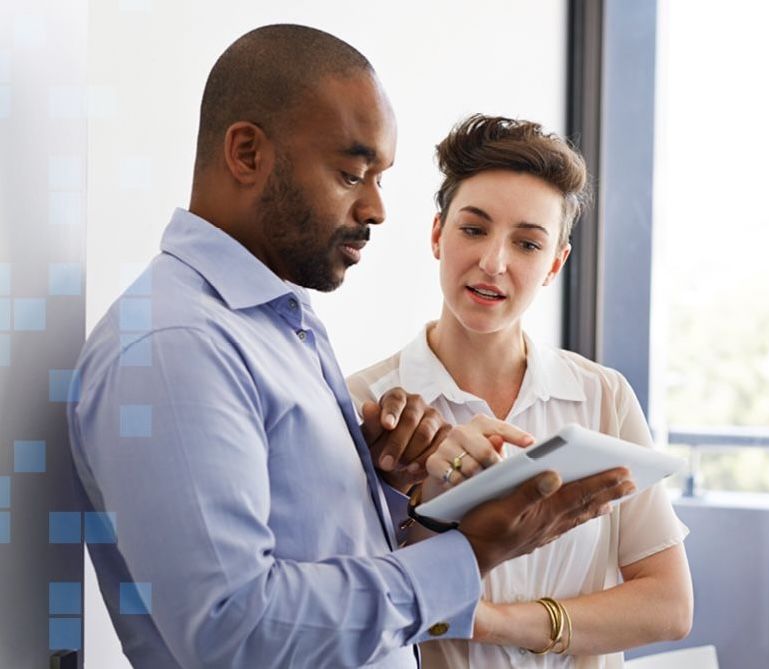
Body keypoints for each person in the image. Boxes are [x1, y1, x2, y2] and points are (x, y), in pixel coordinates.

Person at [67, 26, 635, 669]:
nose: (376, 208)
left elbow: (304, 556)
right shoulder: (177, 346)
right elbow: (236, 630)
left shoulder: (279, 322)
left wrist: (385, 485)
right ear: (248, 153)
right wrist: (470, 555)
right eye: (351, 174)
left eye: (381, 178)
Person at [348, 115, 694, 668]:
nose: (493, 262)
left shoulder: (601, 397)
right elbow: (345, 602)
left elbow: (668, 606)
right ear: (437, 234)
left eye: (527, 243)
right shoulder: (366, 402)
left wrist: (490, 622)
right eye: (473, 229)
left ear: (555, 262)